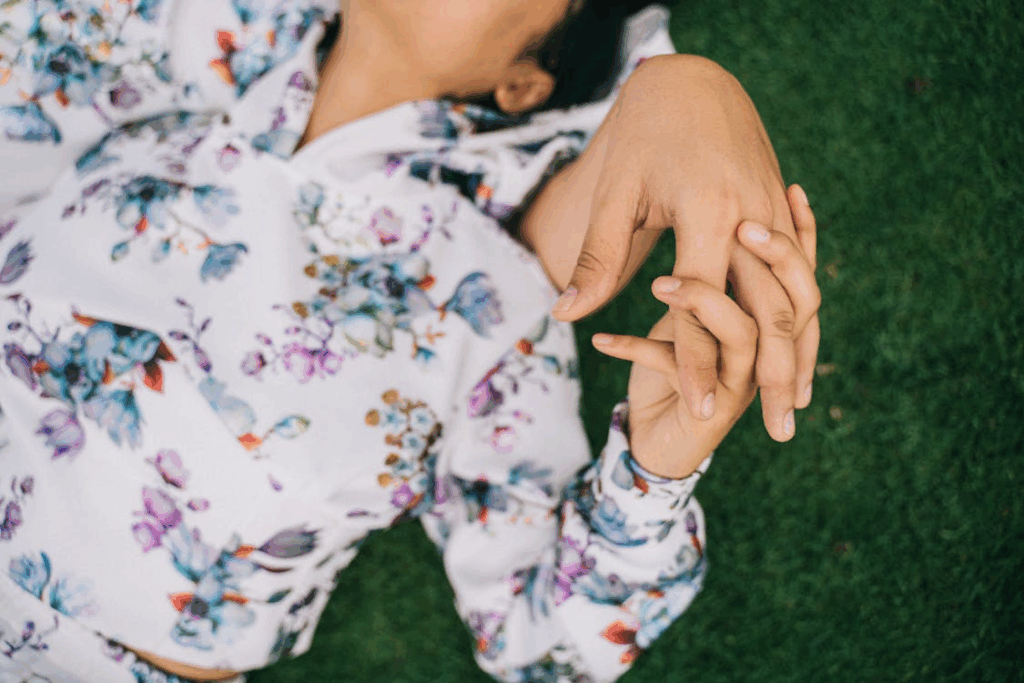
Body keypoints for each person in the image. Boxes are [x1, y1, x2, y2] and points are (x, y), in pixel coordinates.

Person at [0, 1, 820, 682]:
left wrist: (654, 468)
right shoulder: (201, 70)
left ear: (522, 85)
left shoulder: (487, 301)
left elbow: (548, 646)